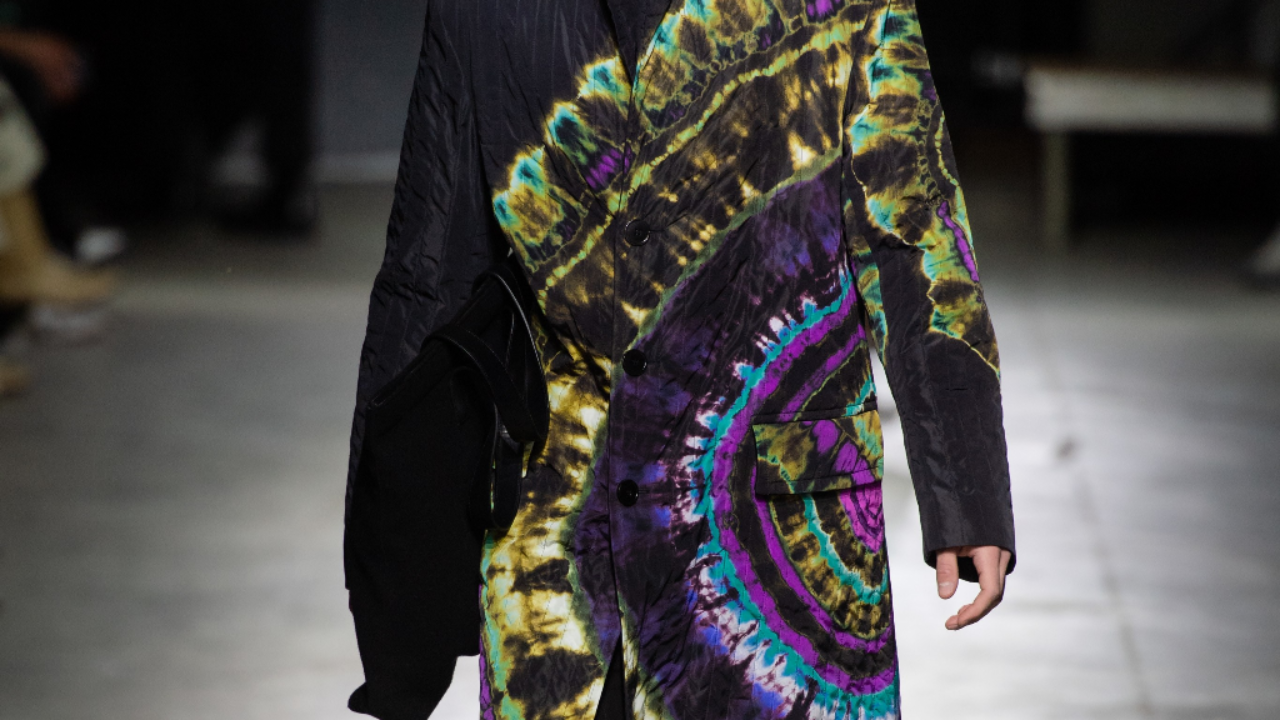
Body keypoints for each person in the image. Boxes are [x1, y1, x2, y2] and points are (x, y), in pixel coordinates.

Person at [348, 1, 1016, 718]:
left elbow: (913, 236)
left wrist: (967, 489)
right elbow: (428, 270)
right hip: (563, 547)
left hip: (778, 556)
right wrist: (393, 586)